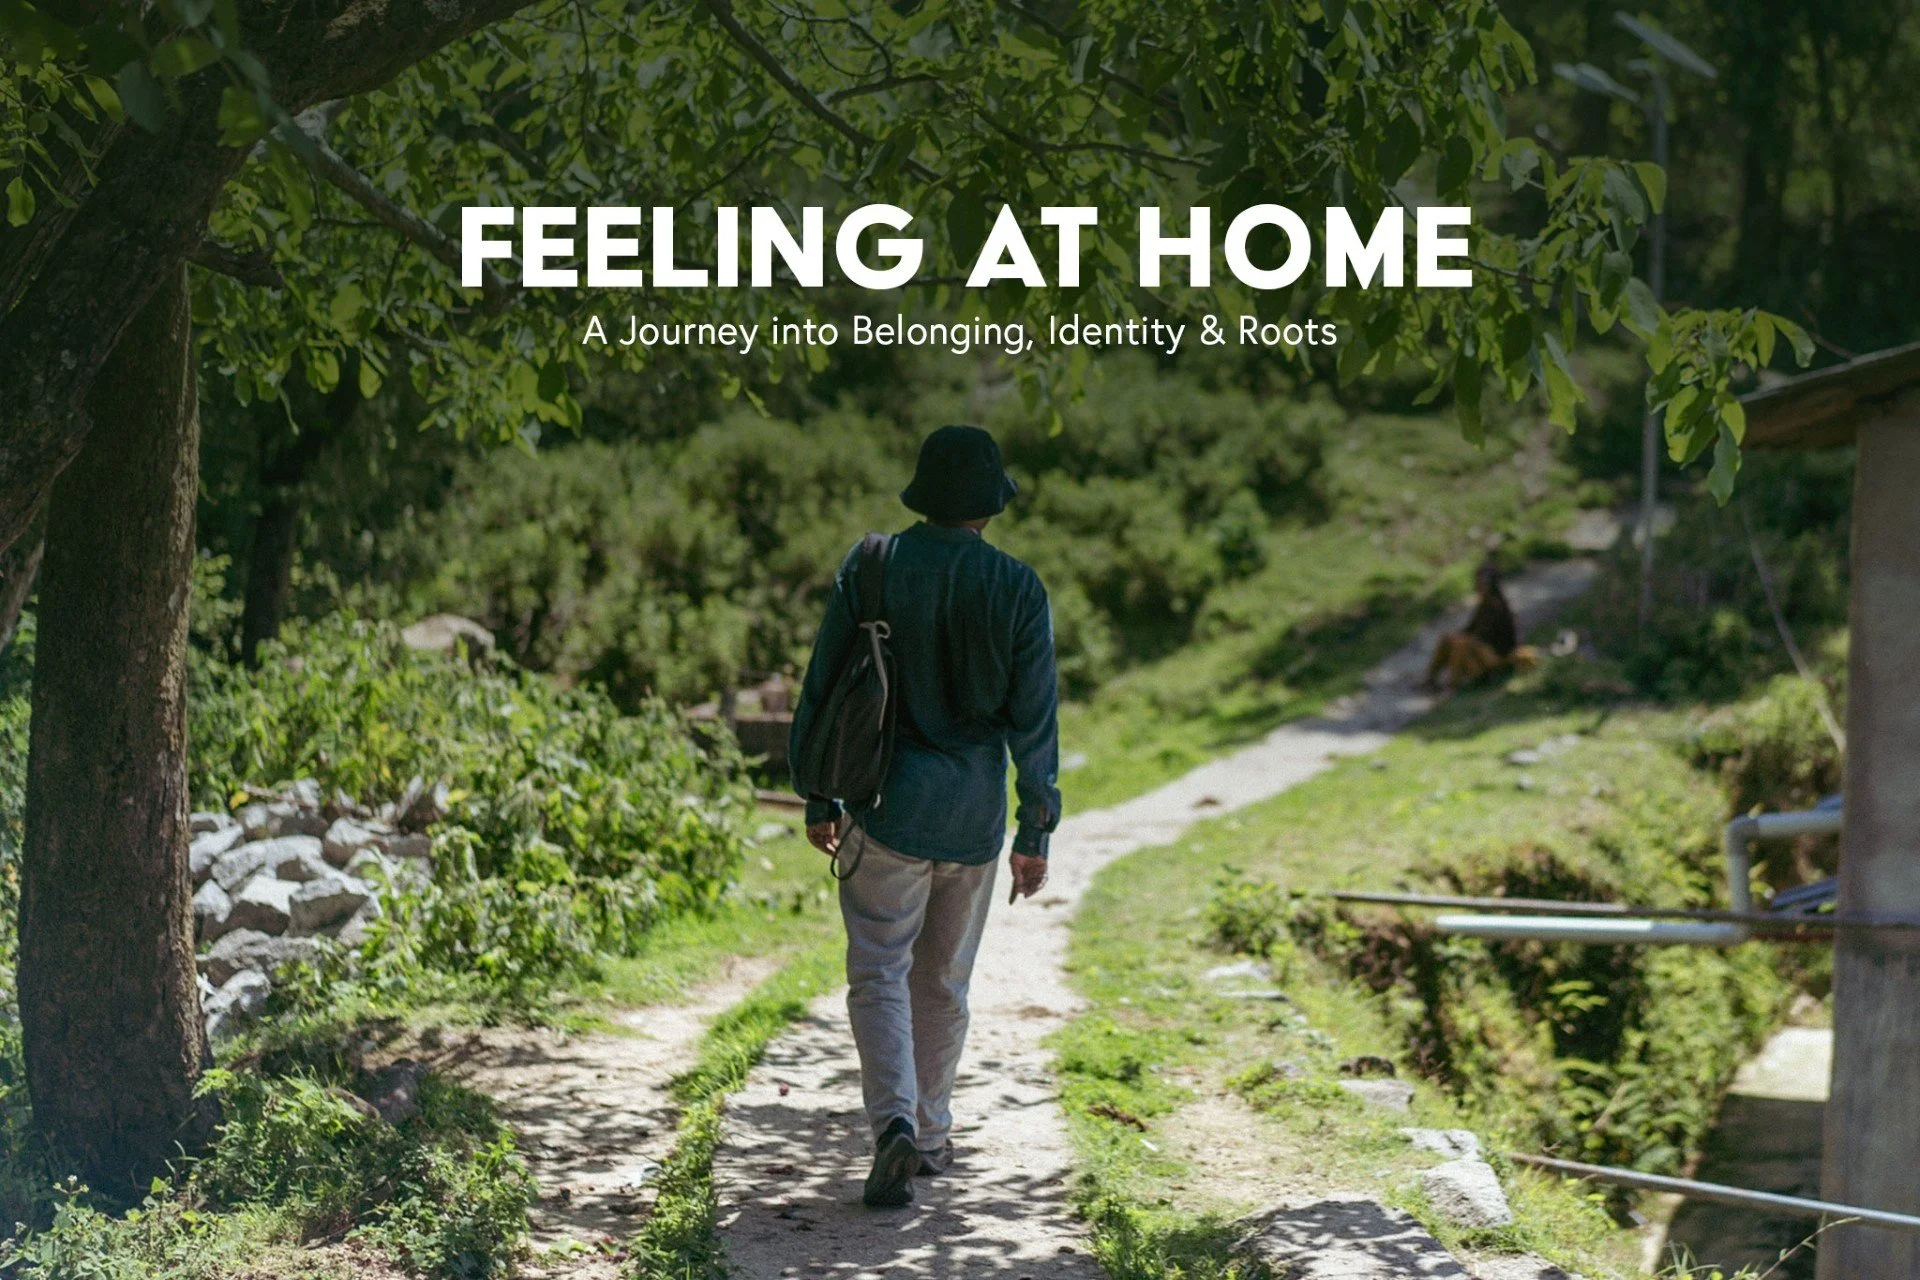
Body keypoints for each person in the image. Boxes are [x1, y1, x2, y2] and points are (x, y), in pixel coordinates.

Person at [789, 424, 1060, 1209]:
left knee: (880, 971)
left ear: (922, 492)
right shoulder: (1018, 587)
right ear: (991, 504)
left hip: (885, 806)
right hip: (973, 820)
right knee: (942, 982)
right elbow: (1035, 722)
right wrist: (1034, 830)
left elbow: (825, 682)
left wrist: (818, 793)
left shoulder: (873, 564)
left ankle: (895, 1126)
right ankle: (932, 1137)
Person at [1422, 557, 1537, 692]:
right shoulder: (1484, 604)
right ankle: (1430, 678)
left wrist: (1464, 639)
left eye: (1482, 583)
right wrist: (1454, 637)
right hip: (1482, 650)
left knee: (1462, 643)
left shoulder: (1497, 606)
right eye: (1478, 582)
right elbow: (1470, 629)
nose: (1479, 586)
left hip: (1498, 656)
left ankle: (1452, 685)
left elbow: (1484, 637)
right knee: (1448, 638)